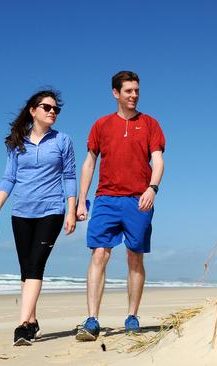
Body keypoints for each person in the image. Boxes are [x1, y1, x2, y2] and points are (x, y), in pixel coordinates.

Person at [75, 71, 165, 341]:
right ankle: (92, 320)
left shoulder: (150, 124)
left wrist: (152, 188)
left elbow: (158, 160)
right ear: (116, 93)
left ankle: (132, 316)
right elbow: (89, 163)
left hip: (139, 199)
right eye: (128, 91)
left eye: (136, 90)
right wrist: (82, 199)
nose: (134, 95)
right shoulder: (101, 125)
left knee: (134, 257)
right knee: (99, 254)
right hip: (105, 199)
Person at [0, 90, 77, 346]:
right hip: (21, 212)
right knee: (26, 269)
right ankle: (33, 320)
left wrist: (71, 211)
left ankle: (22, 326)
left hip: (51, 211)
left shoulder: (63, 141)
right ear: (33, 110)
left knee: (36, 265)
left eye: (56, 109)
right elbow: (8, 178)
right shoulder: (18, 142)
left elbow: (69, 177)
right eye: (47, 107)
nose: (52, 112)